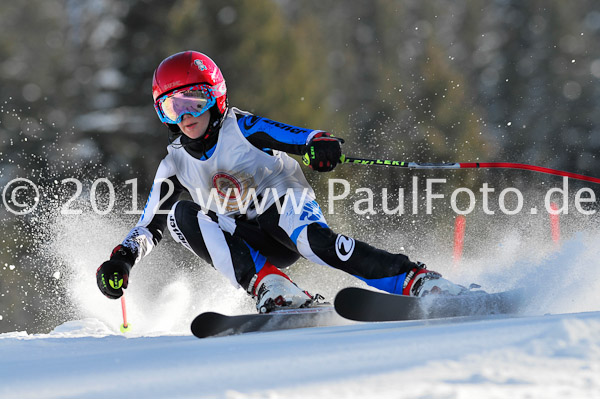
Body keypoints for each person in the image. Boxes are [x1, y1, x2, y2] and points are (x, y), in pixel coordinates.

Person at [96, 51, 464, 313]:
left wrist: (318, 144)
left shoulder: (241, 128)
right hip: (249, 239)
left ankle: (414, 279)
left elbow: (297, 135)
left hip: (285, 210)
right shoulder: (174, 161)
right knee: (179, 214)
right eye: (173, 106)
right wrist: (122, 260)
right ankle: (269, 287)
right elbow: (148, 226)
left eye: (195, 100)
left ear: (216, 97)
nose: (186, 114)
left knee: (314, 243)